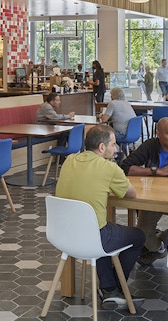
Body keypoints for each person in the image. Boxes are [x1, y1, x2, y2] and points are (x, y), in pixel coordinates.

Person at [56, 125, 144, 307]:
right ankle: (117, 288)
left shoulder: (69, 160)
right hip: (93, 237)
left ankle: (109, 288)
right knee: (138, 236)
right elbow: (132, 194)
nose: (117, 149)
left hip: (63, 234)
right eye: (113, 144)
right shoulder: (109, 168)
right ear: (102, 147)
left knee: (102, 229)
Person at [121, 117, 168, 264]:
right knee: (143, 232)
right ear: (158, 134)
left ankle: (161, 242)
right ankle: (159, 249)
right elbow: (126, 167)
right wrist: (156, 171)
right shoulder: (150, 146)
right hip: (154, 197)